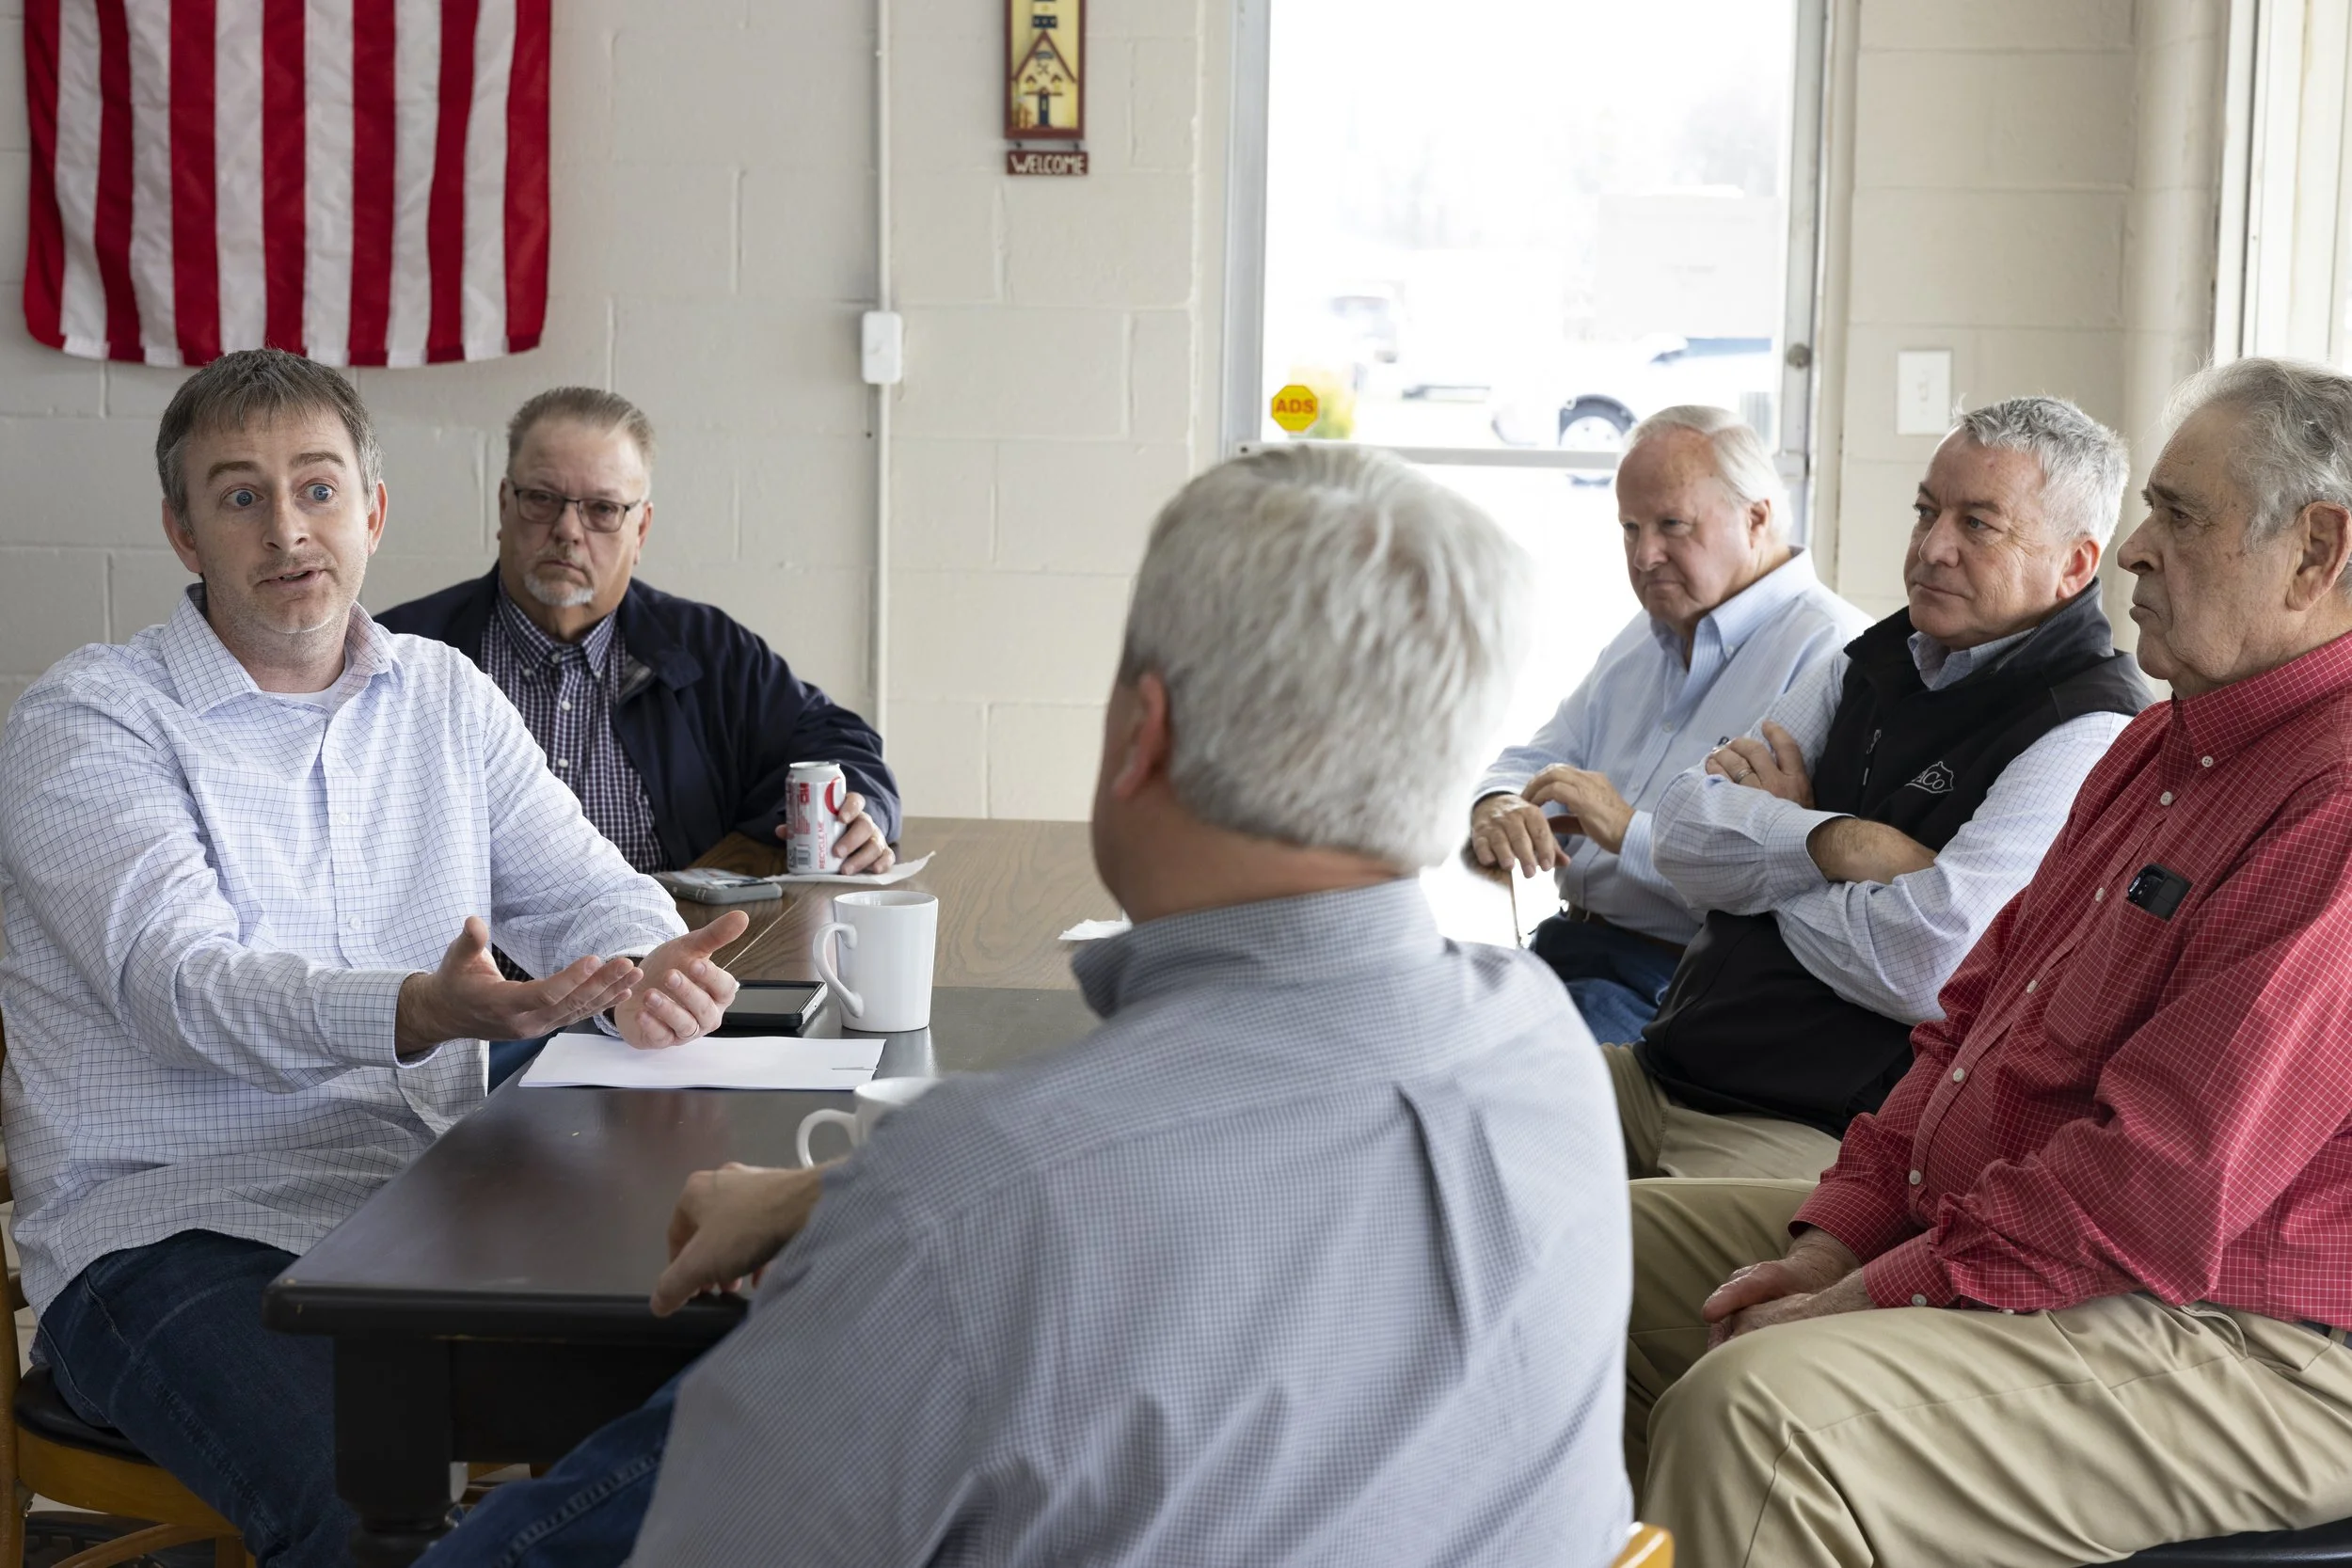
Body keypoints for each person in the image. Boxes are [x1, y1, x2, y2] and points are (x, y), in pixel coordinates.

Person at [421, 446, 1636, 1568]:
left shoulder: (975, 1208)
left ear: (1140, 734)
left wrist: (892, 1208)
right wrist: (835, 1193)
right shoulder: (1544, 1046)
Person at [0, 349, 748, 1568]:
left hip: (427, 1203)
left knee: (776, 1367)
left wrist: (648, 958)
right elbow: (185, 988)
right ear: (183, 532)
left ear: (375, 510)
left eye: (318, 487)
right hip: (169, 1231)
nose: (288, 528)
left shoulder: (441, 694)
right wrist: (415, 1008)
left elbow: (583, 886)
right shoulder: (89, 722)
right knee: (367, 1518)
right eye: (239, 496)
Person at [1627, 356, 2352, 1566]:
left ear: (2317, 552)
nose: (2133, 553)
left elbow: (2155, 1182)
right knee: (1585, 1249)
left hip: (2252, 1327)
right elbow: (1964, 1030)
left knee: (1756, 1410)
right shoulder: (2158, 748)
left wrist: (1864, 1289)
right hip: (2018, 1233)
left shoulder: (2327, 801)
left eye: (2176, 516)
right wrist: (1834, 1235)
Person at [1613, 396, 2151, 1181]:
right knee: (1423, 1116)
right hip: (1663, 1063)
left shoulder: (2087, 727)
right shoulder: (1879, 653)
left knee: (1541, 1240)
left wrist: (1761, 859)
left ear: (2074, 564)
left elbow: (1929, 963)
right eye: (1926, 511)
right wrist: (1836, 842)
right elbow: (1682, 834)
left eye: (1978, 524)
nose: (1932, 548)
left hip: (1812, 1129)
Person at [378, 387, 898, 878]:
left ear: (641, 529)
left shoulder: (706, 651)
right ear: (504, 506)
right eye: (541, 498)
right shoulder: (400, 654)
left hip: (661, 966)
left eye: (602, 509)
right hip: (460, 970)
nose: (567, 529)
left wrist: (857, 808)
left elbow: (839, 743)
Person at [1470, 406, 1867, 1043]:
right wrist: (1499, 804)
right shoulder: (1646, 633)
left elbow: (1776, 883)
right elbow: (1533, 757)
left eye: (1671, 525)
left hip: (1685, 983)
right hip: (1567, 949)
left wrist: (1629, 830)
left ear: (1757, 517)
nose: (1644, 554)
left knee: (1482, 1073)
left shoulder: (1833, 653)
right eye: (1629, 527)